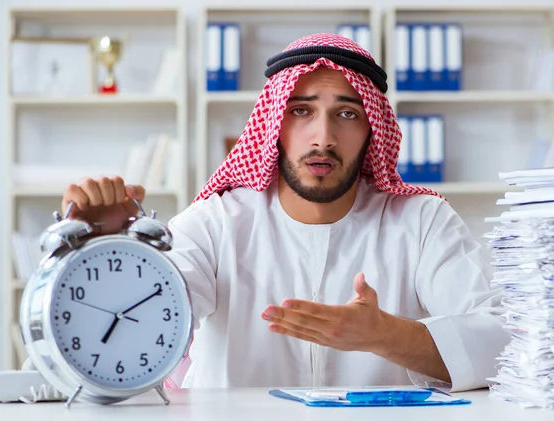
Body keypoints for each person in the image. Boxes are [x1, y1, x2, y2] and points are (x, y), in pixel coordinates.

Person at [61, 33, 510, 391]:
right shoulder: (218, 222)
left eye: (347, 114)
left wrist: (385, 336)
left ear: (373, 130)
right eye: (301, 111)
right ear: (274, 125)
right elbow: (143, 318)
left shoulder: (421, 221)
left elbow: (501, 346)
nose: (323, 138)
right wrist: (106, 246)